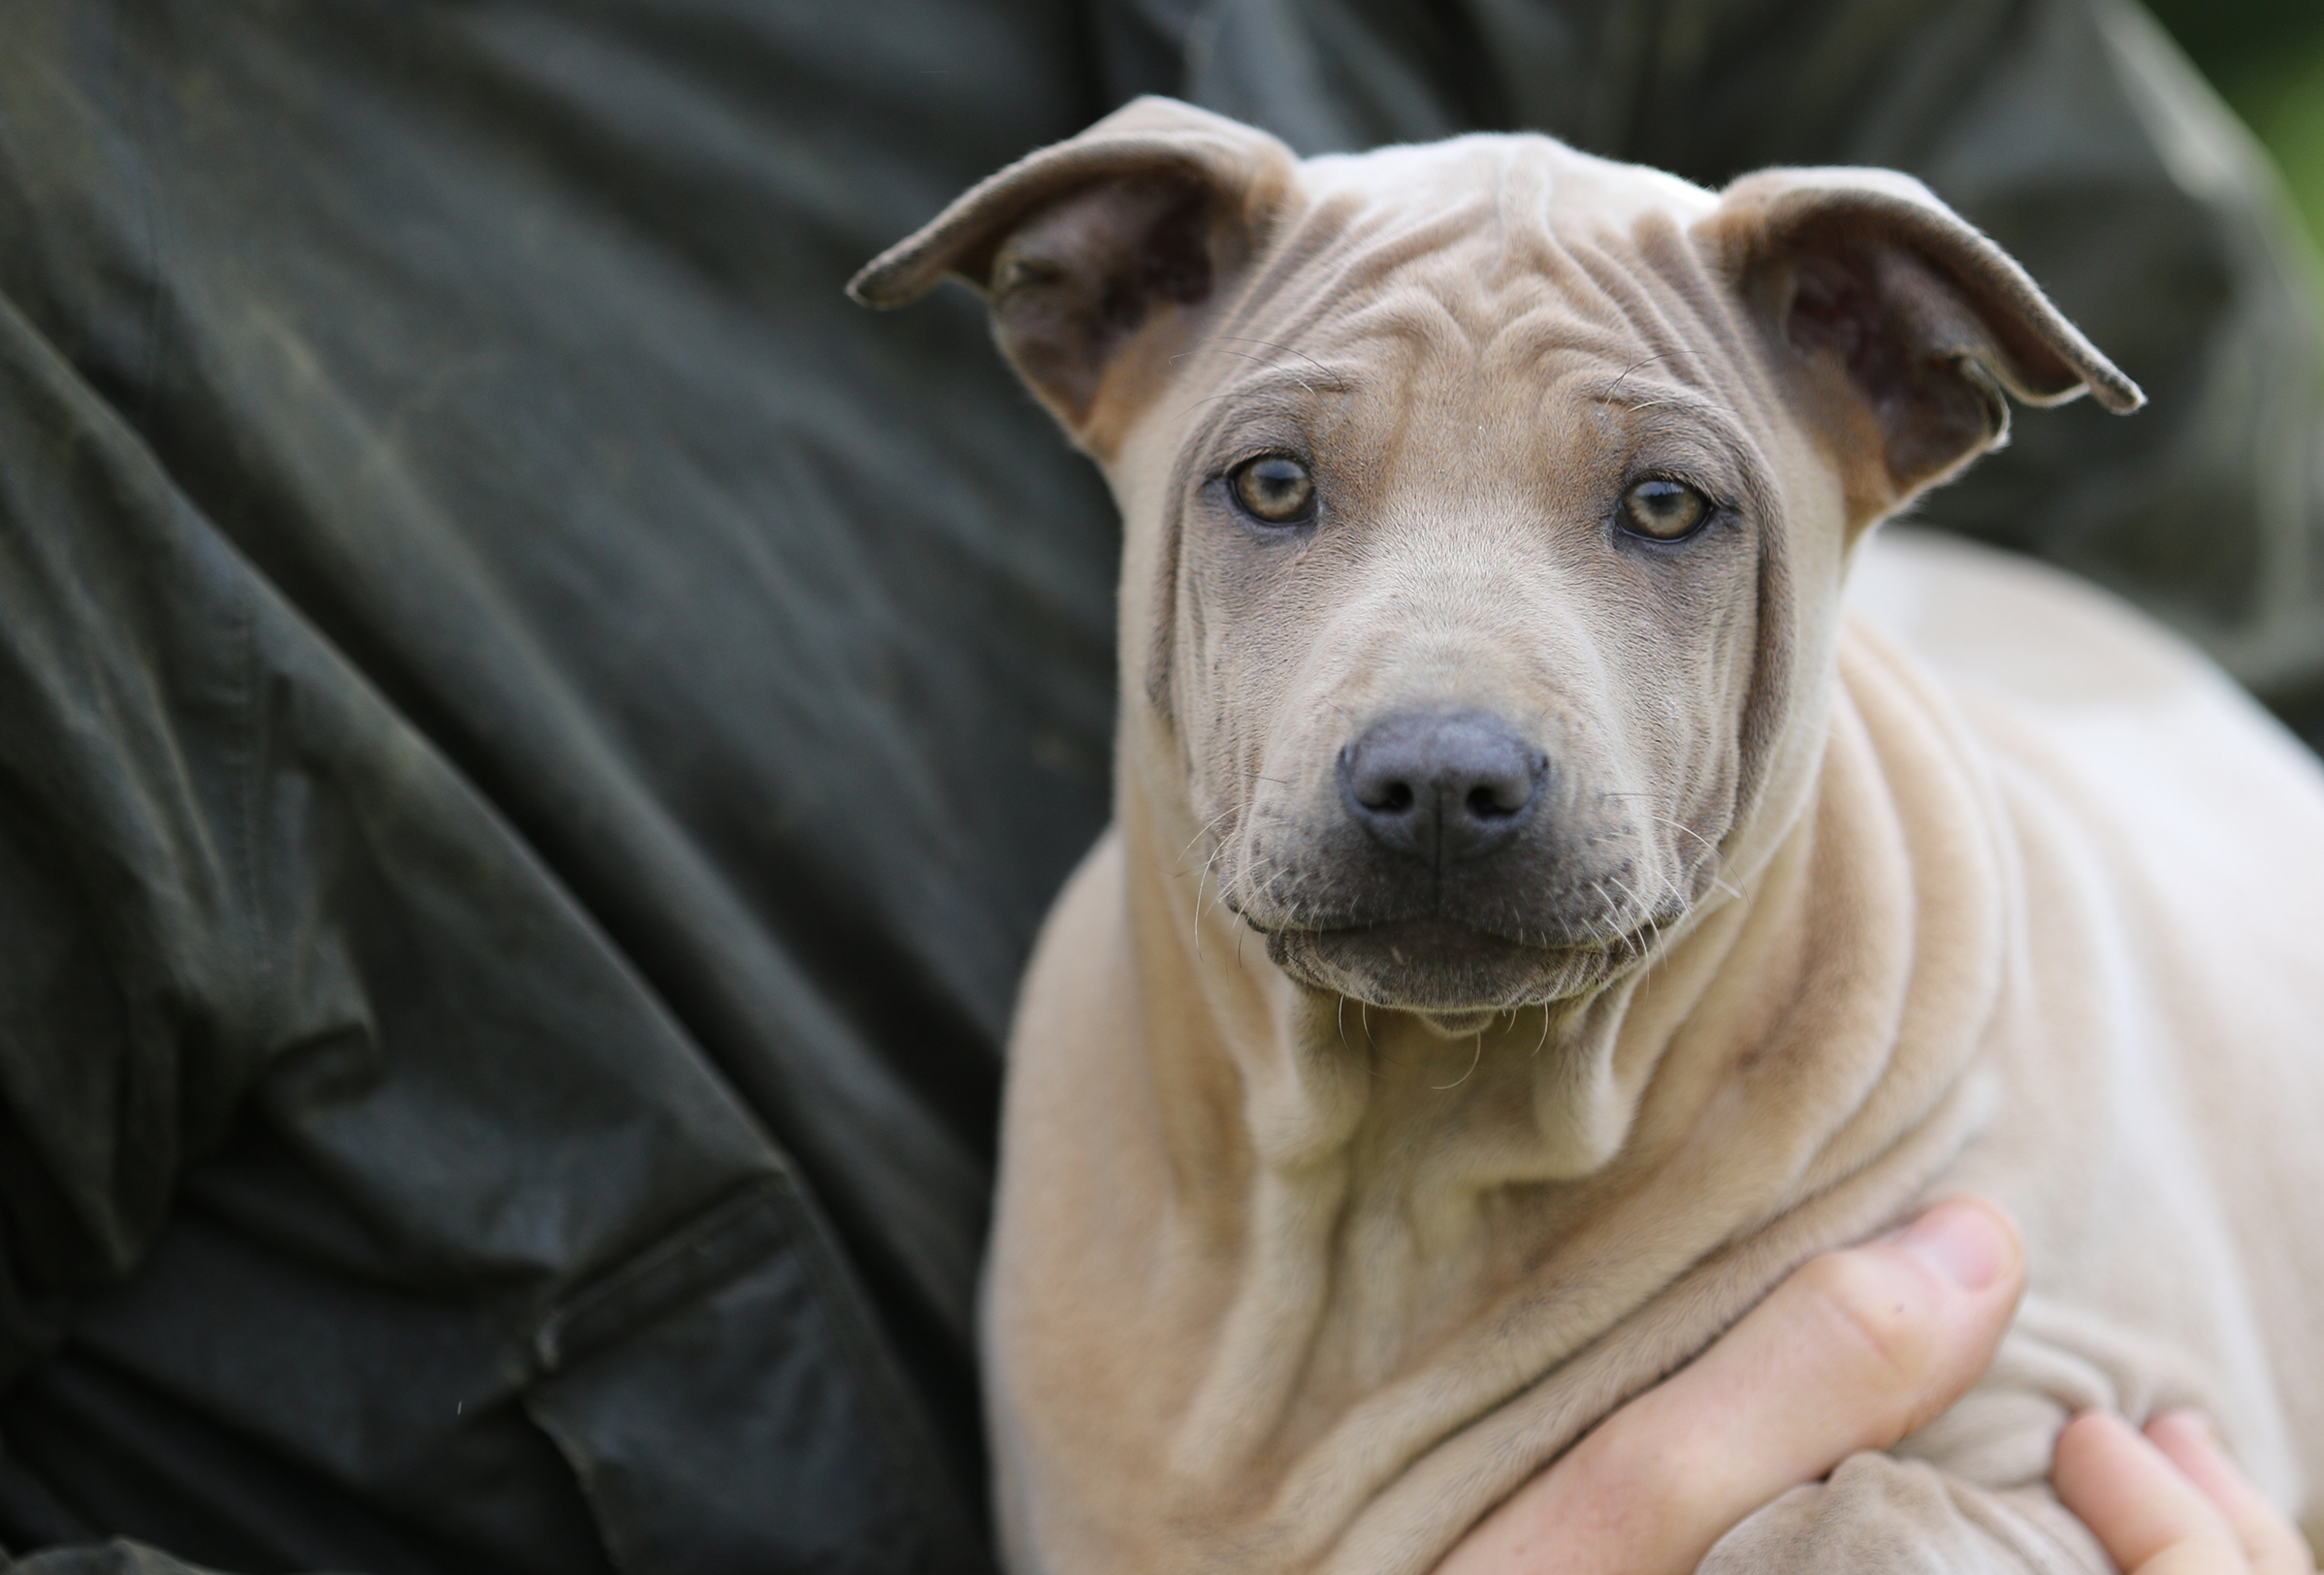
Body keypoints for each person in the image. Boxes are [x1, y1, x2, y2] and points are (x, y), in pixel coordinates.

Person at [0, 2, 2316, 1571]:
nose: (1444, 742)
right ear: (1077, 325)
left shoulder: (1950, 1028)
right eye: (1281, 488)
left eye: (1664, 510)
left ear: (1904, 380)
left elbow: (2229, 543)